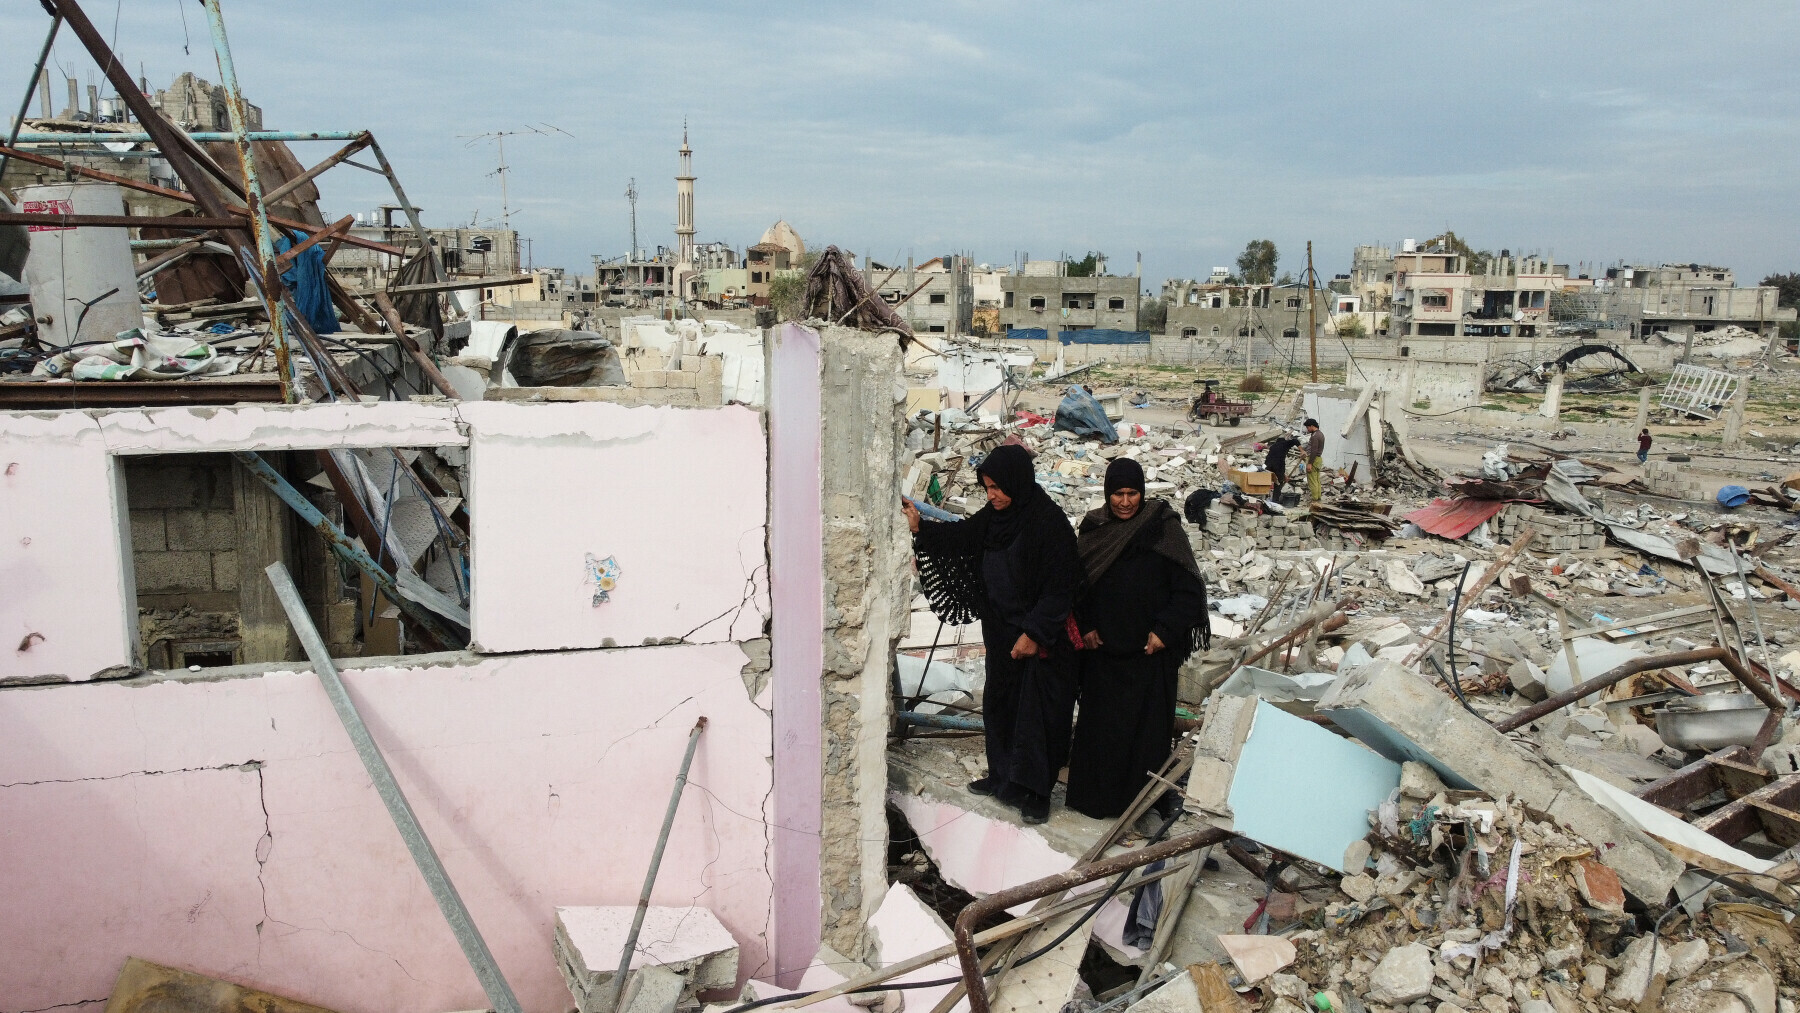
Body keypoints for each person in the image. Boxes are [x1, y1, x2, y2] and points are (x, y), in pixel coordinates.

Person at [904, 443, 1080, 824]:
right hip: (1000, 631)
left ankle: (1036, 793)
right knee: (1001, 707)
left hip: (1039, 638)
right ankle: (1003, 779)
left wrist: (1033, 633)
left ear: (1017, 483)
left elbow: (1061, 587)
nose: (992, 496)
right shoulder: (995, 518)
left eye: (998, 488)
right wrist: (921, 528)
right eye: (986, 488)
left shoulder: (1048, 524)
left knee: (1038, 715)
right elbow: (964, 537)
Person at [1066, 459, 1209, 821]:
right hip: (1105, 656)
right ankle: (1096, 802)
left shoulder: (1162, 528)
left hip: (1149, 656)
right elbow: (1077, 586)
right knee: (1101, 734)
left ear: (1142, 494)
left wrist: (1164, 631)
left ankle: (1142, 805)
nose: (1125, 502)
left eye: (1132, 494)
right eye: (1118, 493)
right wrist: (1085, 626)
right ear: (1107, 493)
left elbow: (1189, 590)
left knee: (1145, 736)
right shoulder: (1095, 527)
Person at [1265, 433, 1300, 500]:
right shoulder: (1284, 444)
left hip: (1268, 466)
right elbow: (1295, 441)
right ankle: (1275, 500)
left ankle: (1266, 498)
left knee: (1267, 482)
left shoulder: (1273, 446)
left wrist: (1284, 476)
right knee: (1278, 483)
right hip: (1278, 466)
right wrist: (1302, 451)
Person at [1303, 418, 1325, 502]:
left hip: (1314, 459)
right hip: (1318, 459)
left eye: (1308, 427)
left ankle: (1315, 499)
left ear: (1312, 426)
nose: (1307, 429)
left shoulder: (1315, 436)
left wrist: (1310, 463)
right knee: (1317, 480)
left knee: (1312, 481)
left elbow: (1314, 450)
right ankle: (1318, 498)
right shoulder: (1320, 434)